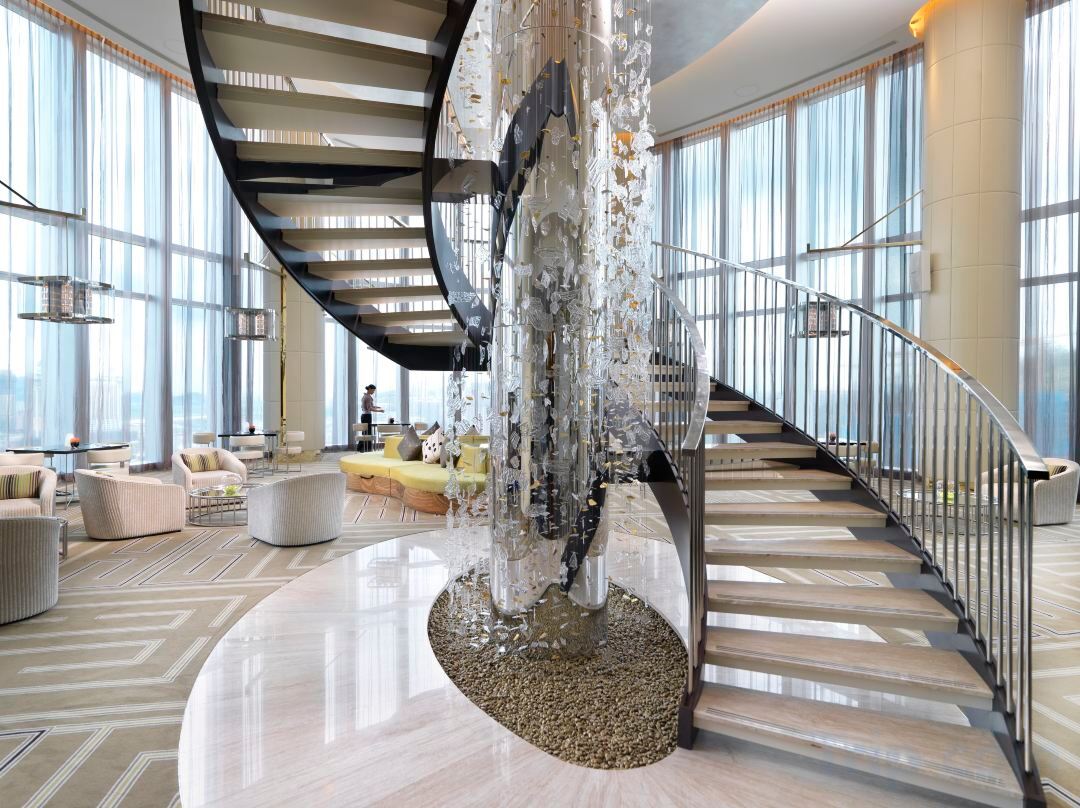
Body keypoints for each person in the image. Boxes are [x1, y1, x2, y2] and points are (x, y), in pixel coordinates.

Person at [359, 384, 384, 450]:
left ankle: (363, 448)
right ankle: (366, 448)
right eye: (373, 390)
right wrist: (380, 411)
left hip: (364, 415)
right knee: (367, 432)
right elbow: (369, 408)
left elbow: (370, 406)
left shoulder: (365, 396)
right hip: (367, 416)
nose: (373, 392)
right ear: (369, 389)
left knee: (365, 432)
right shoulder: (367, 397)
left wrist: (378, 407)